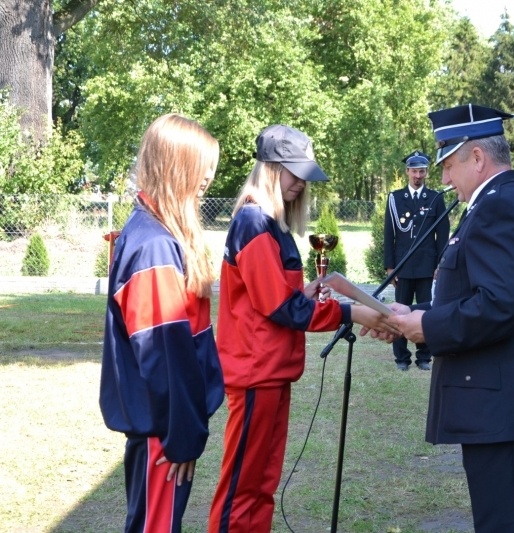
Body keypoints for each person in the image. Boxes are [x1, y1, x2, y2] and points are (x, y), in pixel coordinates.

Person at [387, 103, 514, 533]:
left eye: (448, 165)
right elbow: (478, 294)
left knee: (506, 523)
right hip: (500, 404)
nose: (444, 178)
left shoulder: (499, 206)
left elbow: (499, 304)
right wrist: (416, 312)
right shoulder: (497, 203)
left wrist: (426, 327)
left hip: (503, 407)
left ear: (478, 157)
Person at [208, 124, 393, 532]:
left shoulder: (270, 223)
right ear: (271, 168)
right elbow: (278, 308)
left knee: (262, 483)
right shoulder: (253, 222)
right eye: (294, 172)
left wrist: (308, 292)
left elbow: (276, 297)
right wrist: (348, 313)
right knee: (242, 486)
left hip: (272, 371)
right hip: (256, 372)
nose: (300, 183)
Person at [99, 113, 225, 532]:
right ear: (176, 166)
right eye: (202, 169)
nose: (208, 177)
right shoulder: (153, 245)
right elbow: (164, 357)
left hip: (165, 430)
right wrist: (183, 435)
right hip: (164, 435)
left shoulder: (154, 234)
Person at [383, 150, 449, 371]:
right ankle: (401, 357)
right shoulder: (395, 198)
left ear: (426, 173)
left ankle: (424, 356)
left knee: (426, 314)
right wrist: (390, 266)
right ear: (407, 172)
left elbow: (443, 235)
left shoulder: (435, 199)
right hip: (402, 267)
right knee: (398, 312)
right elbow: (389, 234)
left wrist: (440, 264)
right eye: (414, 171)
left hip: (427, 266)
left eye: (422, 171)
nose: (418, 175)